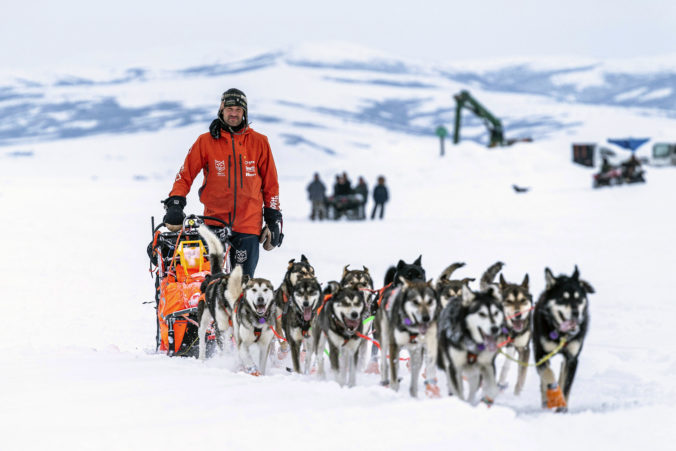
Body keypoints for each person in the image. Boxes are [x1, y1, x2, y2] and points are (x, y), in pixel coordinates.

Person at [162, 88, 282, 277]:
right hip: (213, 223)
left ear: (244, 112)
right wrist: (175, 202)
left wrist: (274, 219)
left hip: (248, 226)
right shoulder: (205, 141)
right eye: (229, 109)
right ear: (221, 110)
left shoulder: (260, 142)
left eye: (238, 109)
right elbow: (185, 175)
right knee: (210, 283)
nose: (233, 113)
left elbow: (271, 185)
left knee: (241, 284)